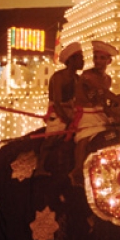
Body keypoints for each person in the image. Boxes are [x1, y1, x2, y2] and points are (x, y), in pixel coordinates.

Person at [69, 40, 119, 186]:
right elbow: (102, 92)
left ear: (109, 61)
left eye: (101, 58)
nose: (97, 61)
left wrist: (112, 112)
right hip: (86, 113)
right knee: (83, 138)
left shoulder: (107, 79)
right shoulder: (87, 75)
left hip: (100, 113)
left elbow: (102, 99)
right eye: (96, 57)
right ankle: (77, 170)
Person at [35, 42, 84, 176]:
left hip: (72, 112)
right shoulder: (58, 77)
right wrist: (68, 120)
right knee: (53, 135)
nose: (83, 61)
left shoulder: (77, 78)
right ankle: (40, 166)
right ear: (72, 60)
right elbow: (57, 102)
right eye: (80, 58)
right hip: (57, 112)